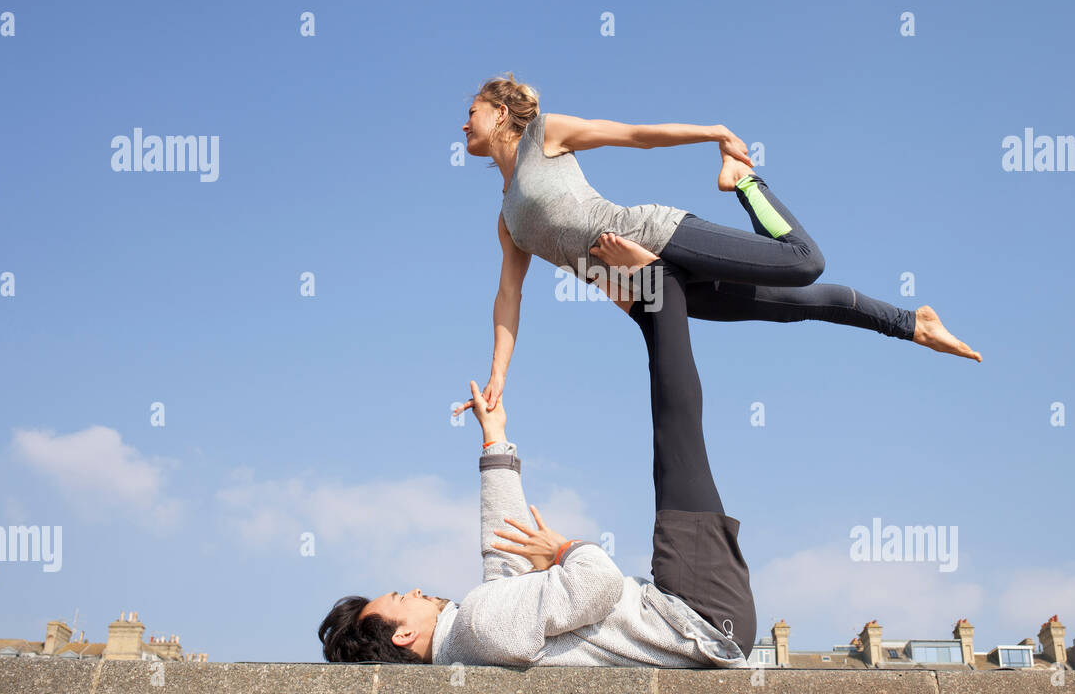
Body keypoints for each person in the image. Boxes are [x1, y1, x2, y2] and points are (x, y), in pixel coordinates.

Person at [317, 259, 757, 667]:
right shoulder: (478, 624)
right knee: (676, 436)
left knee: (672, 441)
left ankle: (655, 308)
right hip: (694, 615)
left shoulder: (473, 637)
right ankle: (662, 284)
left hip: (697, 621)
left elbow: (505, 553)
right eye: (399, 597)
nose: (413, 590)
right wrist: (564, 550)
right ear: (404, 635)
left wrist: (494, 439)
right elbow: (597, 585)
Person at [460, 72, 981, 416]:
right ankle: (913, 323)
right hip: (647, 286)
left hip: (654, 233)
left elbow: (635, 134)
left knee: (805, 264)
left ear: (502, 113)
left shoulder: (544, 136)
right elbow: (509, 298)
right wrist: (497, 375)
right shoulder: (507, 218)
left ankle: (745, 184)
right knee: (798, 306)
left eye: (474, 110)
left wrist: (714, 133)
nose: (465, 122)